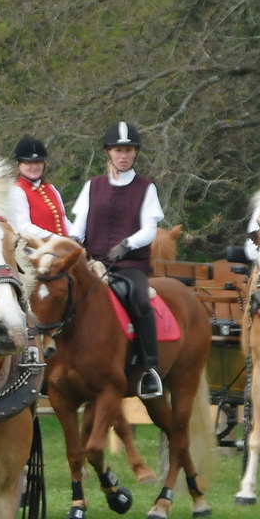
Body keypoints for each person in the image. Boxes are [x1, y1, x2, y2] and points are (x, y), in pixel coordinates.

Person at [67, 121, 166, 399]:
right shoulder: (92, 185)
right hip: (93, 263)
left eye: (128, 150)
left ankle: (150, 369)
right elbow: (79, 227)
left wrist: (127, 244)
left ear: (135, 153)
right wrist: (72, 244)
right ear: (108, 152)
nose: (123, 155)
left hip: (129, 264)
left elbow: (150, 229)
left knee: (140, 298)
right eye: (118, 150)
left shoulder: (146, 187)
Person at [13, 136, 72, 238]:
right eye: (29, 162)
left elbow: (63, 220)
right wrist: (57, 239)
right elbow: (23, 227)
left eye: (38, 162)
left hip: (62, 245)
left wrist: (79, 236)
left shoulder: (51, 188)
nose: (35, 167)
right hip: (36, 247)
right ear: (19, 164)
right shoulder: (16, 191)